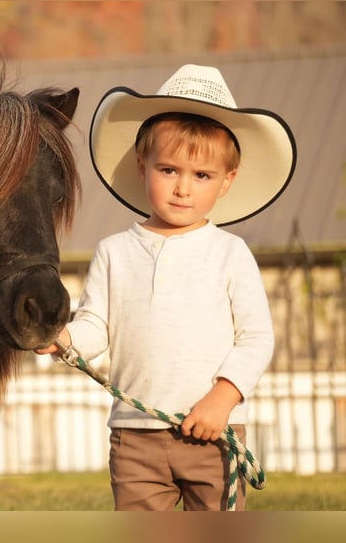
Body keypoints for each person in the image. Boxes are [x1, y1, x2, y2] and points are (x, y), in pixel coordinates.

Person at [36, 64, 296, 511]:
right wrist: (64, 338)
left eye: (201, 176)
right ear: (143, 167)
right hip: (136, 434)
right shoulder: (114, 251)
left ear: (226, 182)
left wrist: (223, 399)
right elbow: (96, 325)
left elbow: (255, 338)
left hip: (214, 433)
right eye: (169, 170)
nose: (182, 189)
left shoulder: (230, 253)